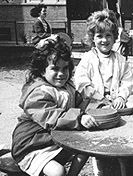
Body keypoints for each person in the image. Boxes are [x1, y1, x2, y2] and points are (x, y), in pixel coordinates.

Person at [11, 37, 99, 176]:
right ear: (42, 71)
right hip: (33, 143)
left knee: (86, 147)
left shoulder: (67, 87)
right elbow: (52, 116)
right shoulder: (38, 92)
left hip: (56, 138)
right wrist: (80, 117)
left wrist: (86, 99)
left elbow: (76, 109)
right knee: (58, 172)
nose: (61, 74)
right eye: (55, 69)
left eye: (65, 68)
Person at [73, 9, 133, 176]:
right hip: (94, 105)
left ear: (114, 38)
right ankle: (100, 169)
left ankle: (122, 163)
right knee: (98, 141)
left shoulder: (120, 59)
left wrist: (122, 95)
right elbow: (81, 82)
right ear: (93, 38)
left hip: (115, 104)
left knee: (119, 133)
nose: (104, 40)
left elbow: (127, 80)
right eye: (99, 36)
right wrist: (98, 97)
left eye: (108, 36)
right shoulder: (88, 58)